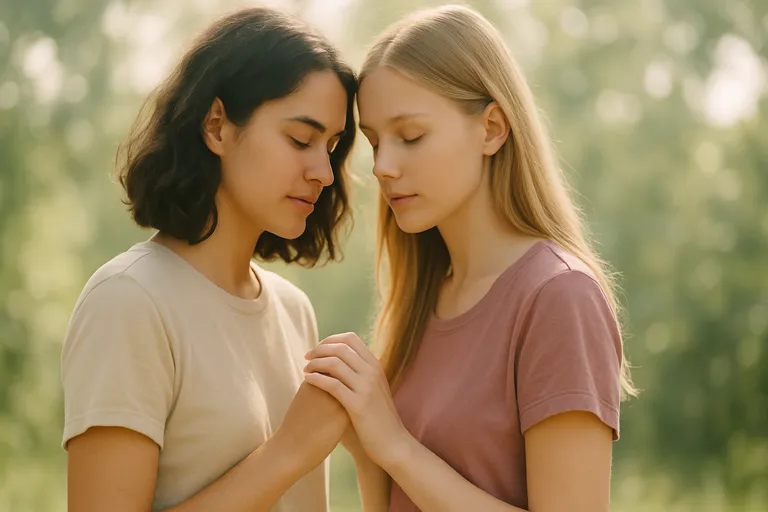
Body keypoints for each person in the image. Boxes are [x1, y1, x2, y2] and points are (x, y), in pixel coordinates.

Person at [303, 5, 637, 512]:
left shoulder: (559, 298)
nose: (384, 166)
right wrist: (370, 454)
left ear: (492, 128)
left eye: (410, 136)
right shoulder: (420, 298)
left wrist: (394, 446)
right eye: (374, 142)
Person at [61, 7, 358, 512]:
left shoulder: (294, 312)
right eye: (301, 140)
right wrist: (287, 453)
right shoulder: (129, 303)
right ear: (217, 125)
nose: (325, 173)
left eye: (330, 147)